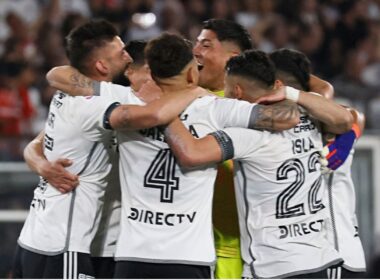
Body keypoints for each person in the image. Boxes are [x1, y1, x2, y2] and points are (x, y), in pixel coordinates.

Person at [46, 32, 300, 279]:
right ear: (192, 72)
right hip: (189, 257)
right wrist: (290, 93)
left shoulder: (128, 101)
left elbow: (57, 75)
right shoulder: (216, 108)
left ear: (152, 73)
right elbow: (287, 118)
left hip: (133, 256)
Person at [15, 20, 206, 279]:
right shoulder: (105, 100)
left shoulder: (70, 94)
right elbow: (155, 113)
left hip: (65, 237)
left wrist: (41, 164)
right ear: (103, 65)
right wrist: (196, 91)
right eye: (120, 53)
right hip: (66, 242)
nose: (126, 56)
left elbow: (37, 138)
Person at [163, 49, 353, 278]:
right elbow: (345, 119)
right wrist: (291, 93)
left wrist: (162, 110)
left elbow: (190, 153)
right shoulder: (309, 116)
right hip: (321, 261)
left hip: (273, 266)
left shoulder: (245, 135)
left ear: (237, 91)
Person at [192, 18, 337, 279]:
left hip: (250, 248)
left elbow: (322, 88)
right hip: (205, 243)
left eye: (206, 44)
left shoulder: (254, 102)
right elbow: (325, 93)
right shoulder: (192, 93)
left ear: (232, 58)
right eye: (196, 43)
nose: (196, 51)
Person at [270, 48, 367, 278]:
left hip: (333, 252)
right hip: (325, 254)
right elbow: (354, 115)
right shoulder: (330, 117)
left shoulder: (325, 120)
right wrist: (352, 132)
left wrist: (349, 134)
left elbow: (353, 114)